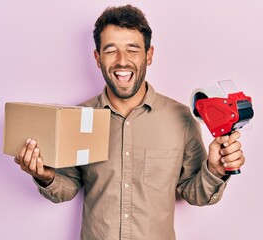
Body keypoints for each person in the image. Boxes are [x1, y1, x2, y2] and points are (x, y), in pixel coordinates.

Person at [14, 5, 245, 240]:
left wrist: (215, 170)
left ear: (149, 55)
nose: (122, 61)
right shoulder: (80, 116)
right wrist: (44, 175)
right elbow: (68, 187)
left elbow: (194, 193)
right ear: (97, 57)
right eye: (110, 50)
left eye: (132, 50)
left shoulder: (181, 118)